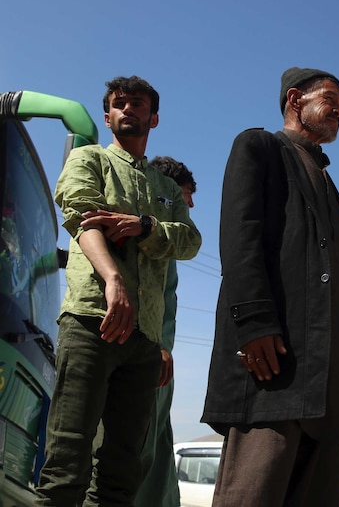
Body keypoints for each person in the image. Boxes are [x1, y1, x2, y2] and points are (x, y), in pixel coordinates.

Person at [201, 67, 339, 507]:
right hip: (277, 371)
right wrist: (255, 322)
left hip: (329, 390)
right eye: (330, 98)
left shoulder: (328, 183)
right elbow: (239, 237)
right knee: (254, 493)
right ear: (295, 99)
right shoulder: (260, 148)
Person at [38, 76, 202, 506]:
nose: (128, 109)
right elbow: (80, 217)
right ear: (108, 115)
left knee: (120, 477)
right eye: (119, 103)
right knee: (66, 466)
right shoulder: (88, 159)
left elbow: (190, 241)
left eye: (138, 104)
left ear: (154, 117)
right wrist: (113, 279)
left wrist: (145, 226)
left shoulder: (167, 189)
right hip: (92, 323)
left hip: (143, 342)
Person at [132, 156, 197, 507]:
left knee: (155, 448)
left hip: (158, 359)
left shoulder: (167, 241)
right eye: (185, 195)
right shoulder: (149, 234)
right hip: (146, 354)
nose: (190, 205)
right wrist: (157, 346)